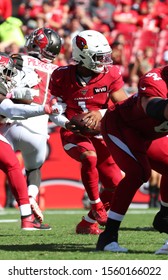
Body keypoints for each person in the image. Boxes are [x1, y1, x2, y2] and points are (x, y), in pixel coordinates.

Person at [49, 30, 128, 234]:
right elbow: (54, 109)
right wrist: (66, 124)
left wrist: (101, 112)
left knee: (115, 185)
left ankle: (87, 223)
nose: (105, 61)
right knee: (89, 158)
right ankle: (95, 205)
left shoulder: (110, 73)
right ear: (83, 56)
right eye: (99, 57)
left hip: (101, 133)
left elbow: (124, 105)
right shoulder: (61, 75)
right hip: (73, 131)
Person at [96, 64, 168, 254]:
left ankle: (165, 215)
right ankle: (108, 237)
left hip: (150, 133)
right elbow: (152, 106)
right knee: (139, 173)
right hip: (121, 125)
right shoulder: (154, 78)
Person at [0, 28, 63, 223]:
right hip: (38, 130)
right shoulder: (60, 71)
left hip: (11, 121)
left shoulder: (17, 59)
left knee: (9, 166)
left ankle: (22, 207)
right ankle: (31, 196)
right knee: (34, 169)